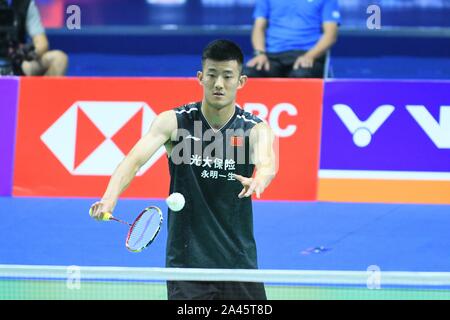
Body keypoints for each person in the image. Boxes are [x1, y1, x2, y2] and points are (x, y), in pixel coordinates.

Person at [90, 39, 277, 300]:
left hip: (238, 262)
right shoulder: (174, 122)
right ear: (200, 77)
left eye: (227, 76)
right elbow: (133, 161)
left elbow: (267, 161)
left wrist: (260, 178)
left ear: (241, 81)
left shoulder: (254, 128)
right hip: (186, 262)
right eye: (212, 75)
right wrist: (109, 198)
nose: (219, 84)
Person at [244, 0, 340, 78]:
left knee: (301, 75)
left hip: (308, 55)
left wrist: (309, 56)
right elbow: (258, 28)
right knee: (248, 73)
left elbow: (330, 35)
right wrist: (260, 54)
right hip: (272, 57)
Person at [1, 0, 68, 76]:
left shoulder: (24, 3)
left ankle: (42, 88)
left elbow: (42, 44)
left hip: (16, 62)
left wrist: (25, 52)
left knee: (59, 59)